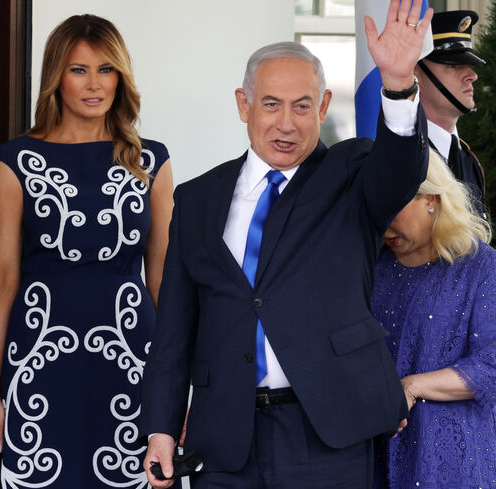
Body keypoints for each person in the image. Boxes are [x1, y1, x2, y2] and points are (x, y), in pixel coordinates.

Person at [140, 1, 433, 487]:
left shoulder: (352, 174)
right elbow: (174, 327)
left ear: (322, 107)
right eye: (271, 104)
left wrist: (399, 85)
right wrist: (161, 428)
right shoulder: (196, 198)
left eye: (302, 106)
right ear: (243, 105)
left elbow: (401, 169)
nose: (287, 124)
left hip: (327, 432)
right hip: (224, 439)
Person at [0, 14, 173, 488]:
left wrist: (175, 385)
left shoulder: (152, 160)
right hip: (39, 359)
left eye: (106, 69)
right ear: (55, 77)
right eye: (78, 69)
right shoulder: (15, 161)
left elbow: (163, 281)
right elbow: (2, 279)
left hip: (132, 358)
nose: (95, 84)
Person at [371, 149, 495, 488]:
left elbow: (491, 363)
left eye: (394, 208)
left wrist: (411, 386)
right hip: (375, 455)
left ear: (431, 197)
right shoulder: (373, 267)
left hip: (451, 461)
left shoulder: (480, 266)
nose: (384, 224)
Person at [415, 10, 487, 218]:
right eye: (454, 65)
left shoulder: (468, 159)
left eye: (470, 66)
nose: (472, 76)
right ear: (414, 73)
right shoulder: (406, 158)